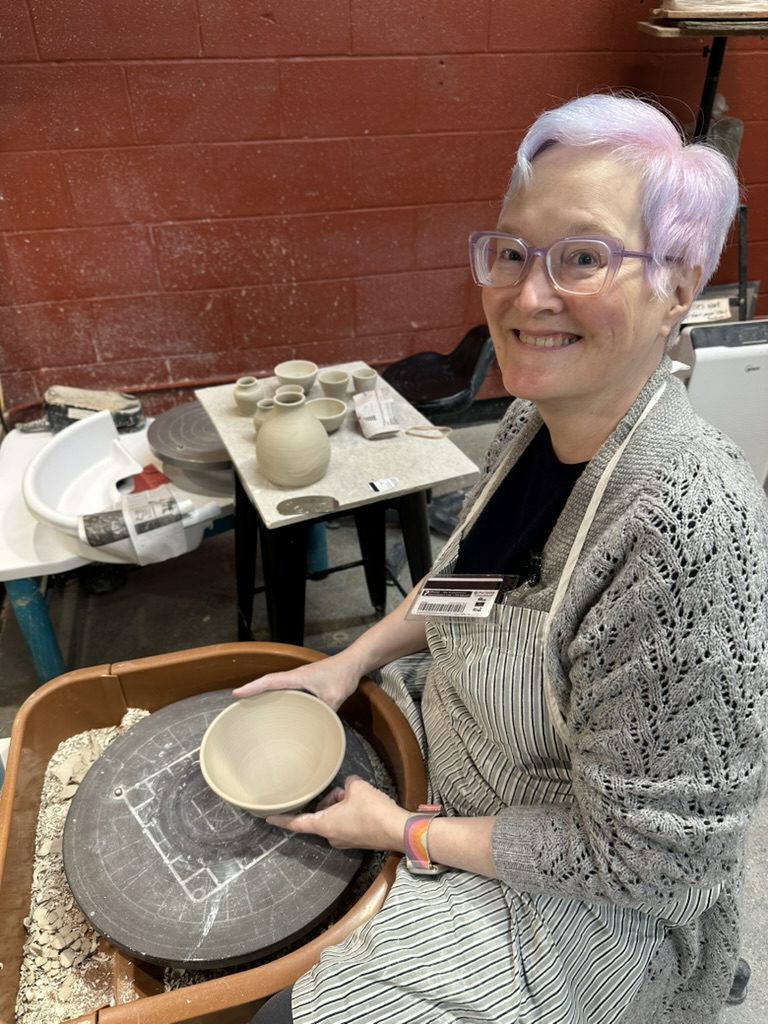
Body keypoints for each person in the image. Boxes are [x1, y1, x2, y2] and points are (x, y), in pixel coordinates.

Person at [236, 93, 768, 1023]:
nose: (528, 296)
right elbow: (461, 591)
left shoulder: (685, 533)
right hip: (458, 760)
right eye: (513, 251)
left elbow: (645, 865)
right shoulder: (534, 420)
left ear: (679, 285)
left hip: (580, 908)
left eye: (585, 258)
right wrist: (349, 664)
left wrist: (403, 831)